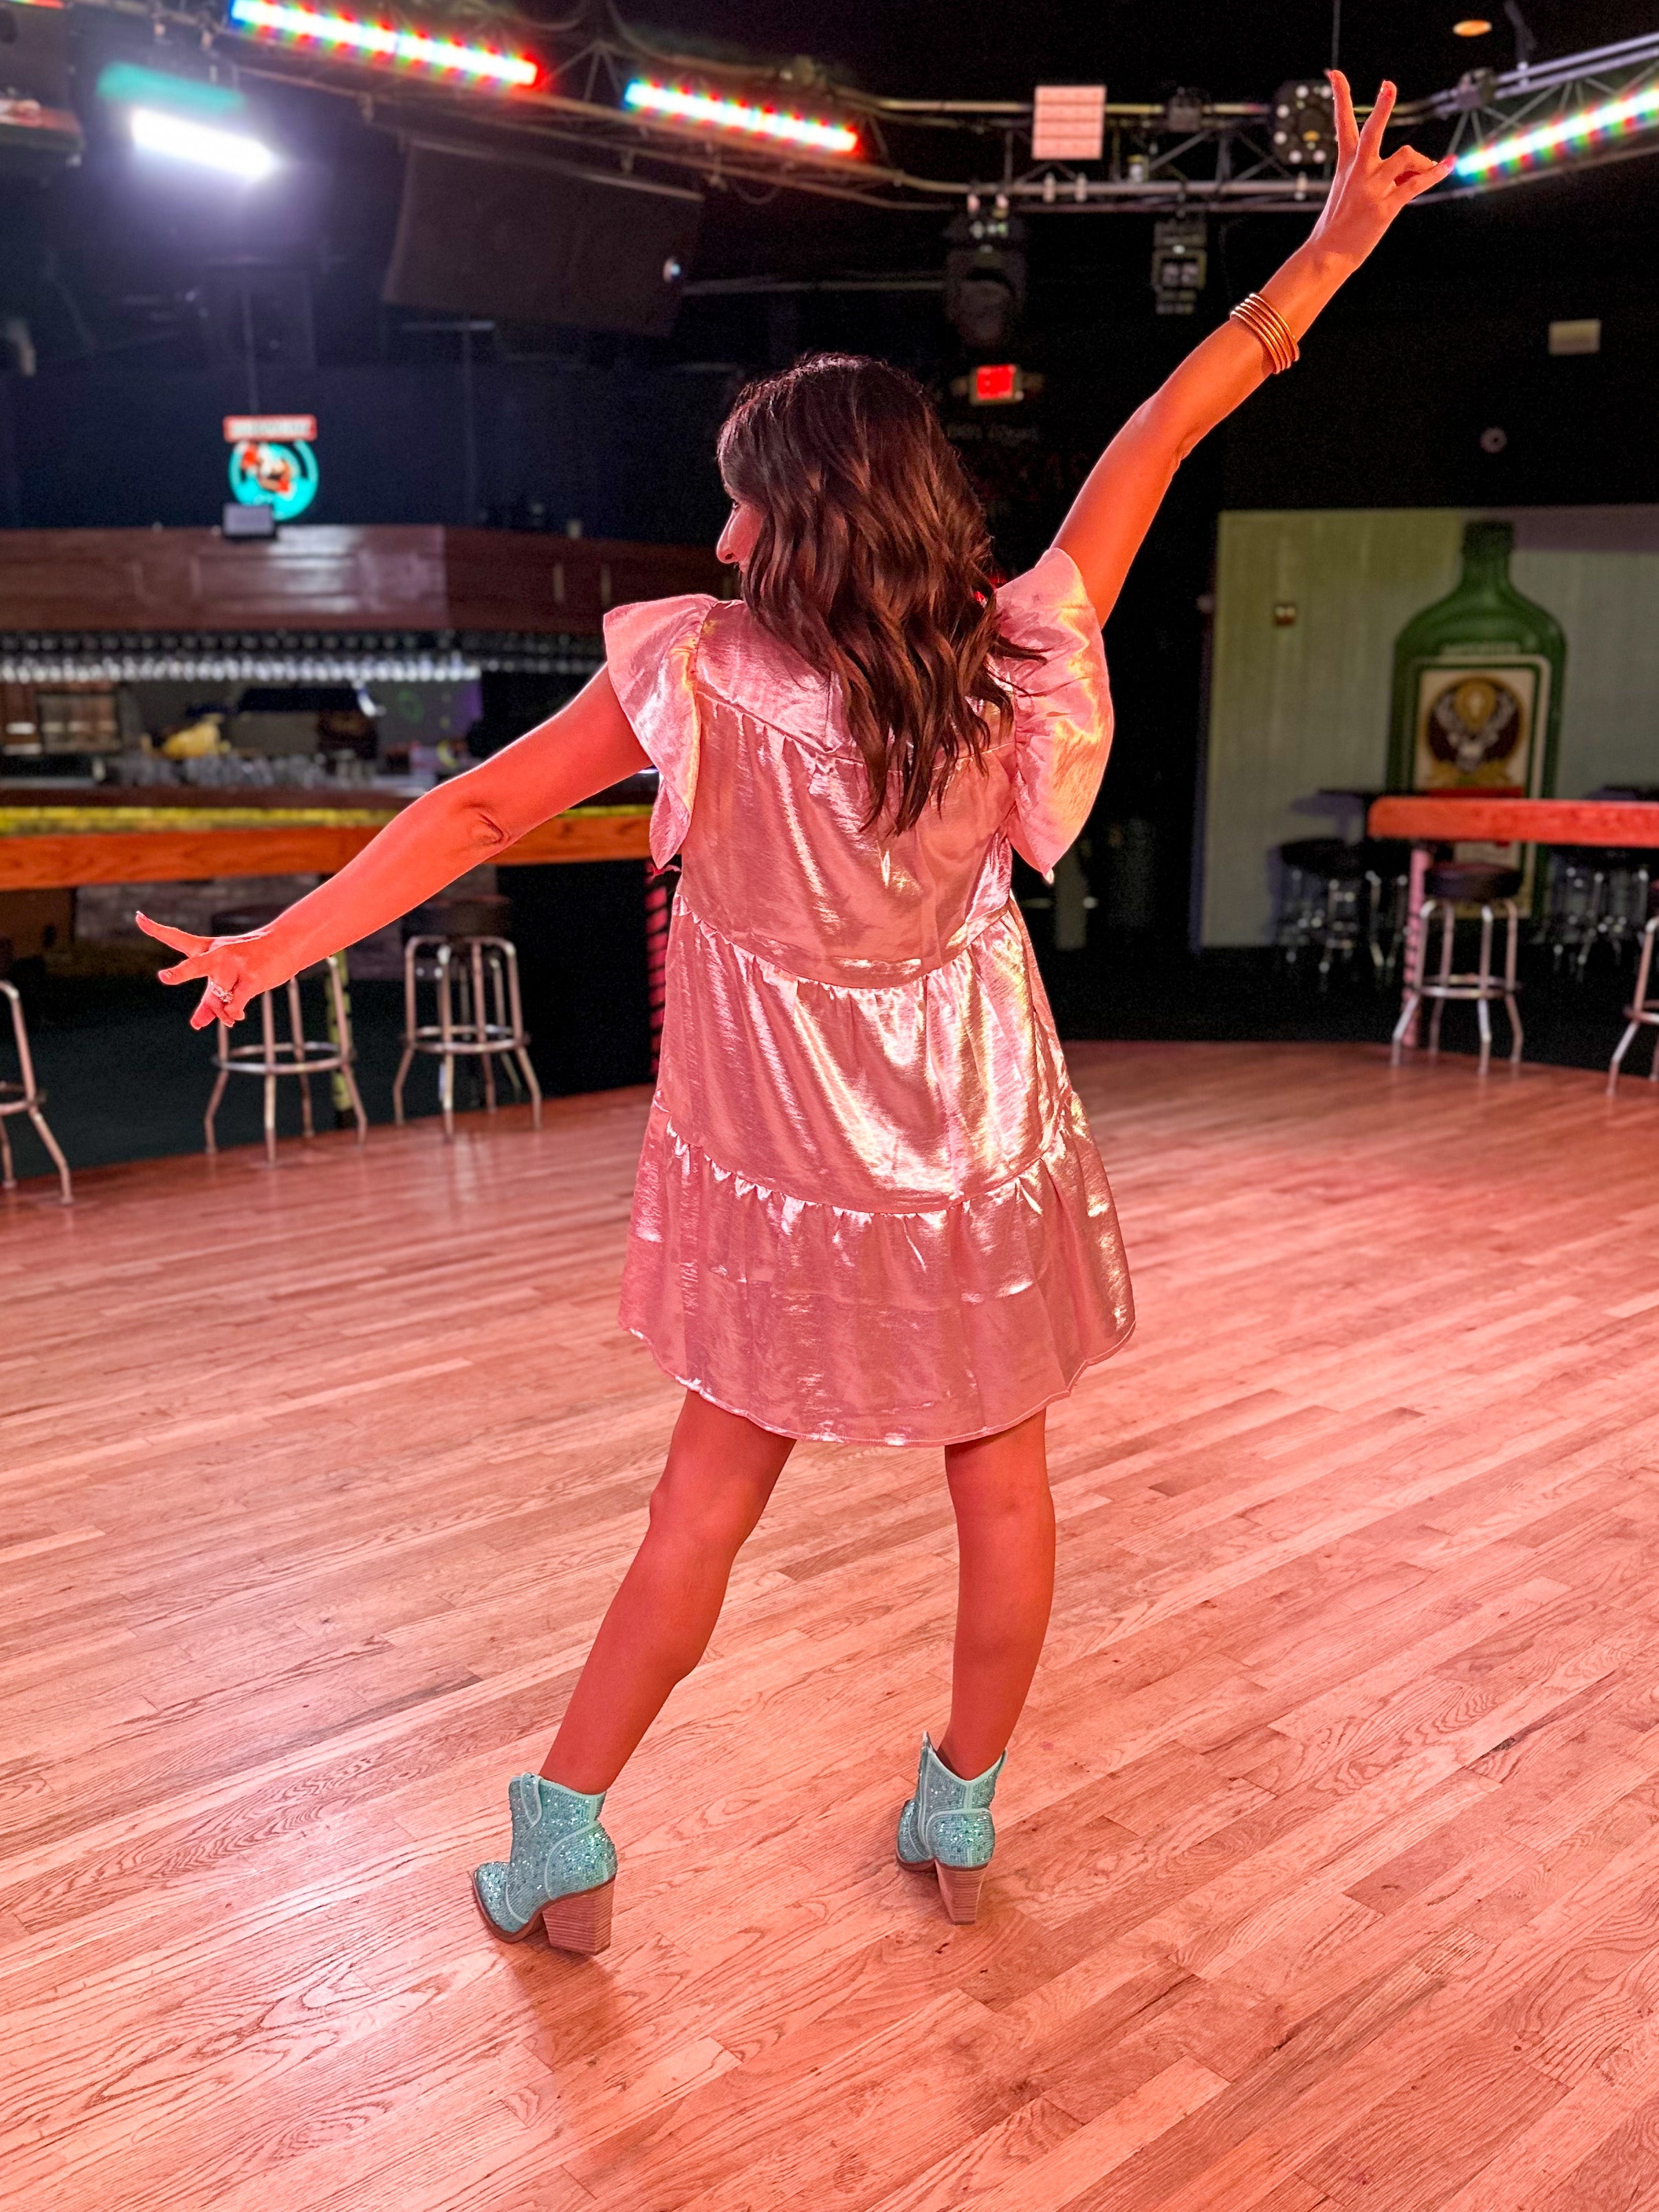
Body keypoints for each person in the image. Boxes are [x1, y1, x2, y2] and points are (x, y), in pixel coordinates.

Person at [140, 76, 1449, 1955]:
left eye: (746, 506)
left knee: (703, 1505)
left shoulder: (697, 674)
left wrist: (286, 938)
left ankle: (566, 1828)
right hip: (978, 1137)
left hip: (786, 1154)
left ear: (799, 514)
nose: (730, 539)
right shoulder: (1013, 650)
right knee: (1003, 1488)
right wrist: (1324, 254)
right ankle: (960, 1796)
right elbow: (1172, 423)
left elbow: (482, 807)